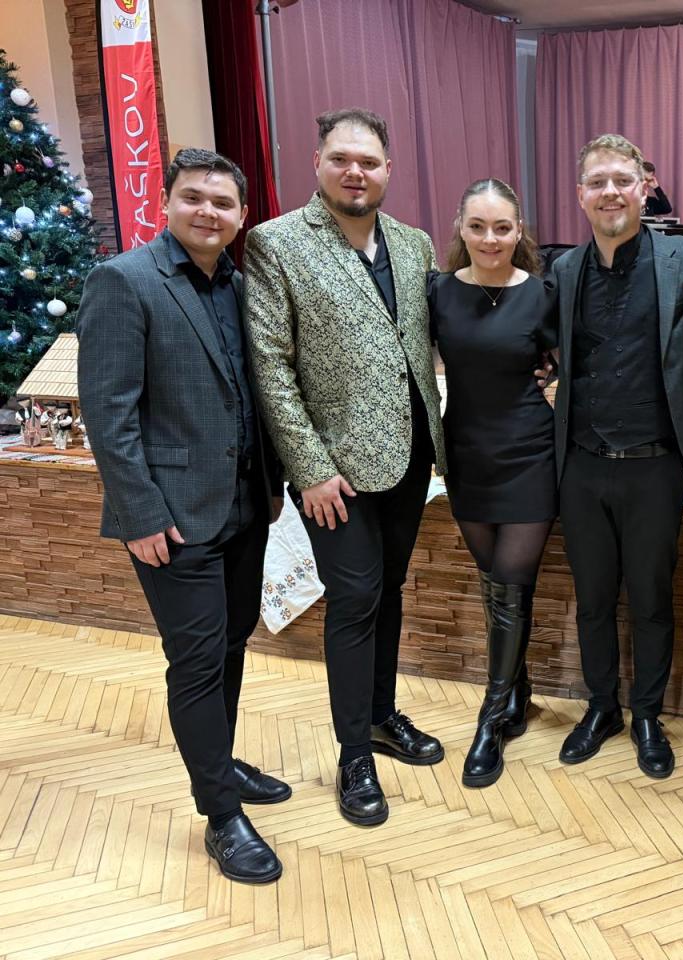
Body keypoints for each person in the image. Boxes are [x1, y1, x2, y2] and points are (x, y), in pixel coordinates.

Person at [78, 148, 291, 885]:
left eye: (223, 203)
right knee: (197, 663)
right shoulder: (124, 281)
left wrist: (274, 487)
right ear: (166, 202)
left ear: (241, 216)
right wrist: (138, 513)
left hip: (244, 507)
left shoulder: (240, 285)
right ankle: (221, 814)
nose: (209, 212)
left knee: (231, 645)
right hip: (169, 517)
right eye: (194, 197)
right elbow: (108, 414)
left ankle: (220, 762)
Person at [244, 108, 448, 827]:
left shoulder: (415, 243)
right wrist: (308, 468)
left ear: (389, 169)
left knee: (388, 590)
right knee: (355, 597)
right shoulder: (275, 243)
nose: (355, 172)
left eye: (368, 161)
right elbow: (271, 368)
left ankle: (383, 715)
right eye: (341, 159)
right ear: (318, 164)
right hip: (333, 473)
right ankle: (354, 752)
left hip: (411, 456)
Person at [549, 134, 683, 778]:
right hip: (581, 464)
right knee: (592, 598)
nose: (610, 192)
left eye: (622, 180)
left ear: (646, 187)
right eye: (598, 182)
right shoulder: (564, 271)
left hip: (654, 463)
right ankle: (601, 707)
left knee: (649, 598)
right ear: (581, 195)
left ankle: (646, 713)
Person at [428, 178, 557, 787]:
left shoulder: (543, 294)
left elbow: (570, 363)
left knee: (510, 581)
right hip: (467, 456)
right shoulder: (436, 293)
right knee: (495, 585)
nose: (489, 239)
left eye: (502, 227)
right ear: (461, 227)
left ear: (518, 230)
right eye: (477, 226)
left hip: (530, 454)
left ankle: (490, 718)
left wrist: (549, 367)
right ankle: (517, 695)